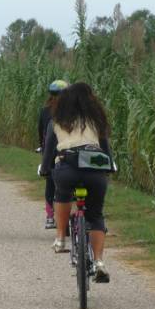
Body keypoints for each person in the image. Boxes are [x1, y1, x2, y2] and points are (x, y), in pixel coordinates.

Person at [40, 82, 112, 283]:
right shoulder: (97, 120)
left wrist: (45, 168)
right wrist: (111, 166)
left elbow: (49, 151)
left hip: (68, 167)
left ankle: (61, 238)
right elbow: (105, 150)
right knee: (96, 215)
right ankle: (98, 262)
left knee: (61, 195)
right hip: (95, 170)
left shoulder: (57, 120)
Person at [37, 80, 69, 229]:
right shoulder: (73, 111)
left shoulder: (45, 111)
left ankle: (50, 216)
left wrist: (42, 148)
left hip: (50, 152)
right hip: (67, 151)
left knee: (50, 181)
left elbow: (42, 133)